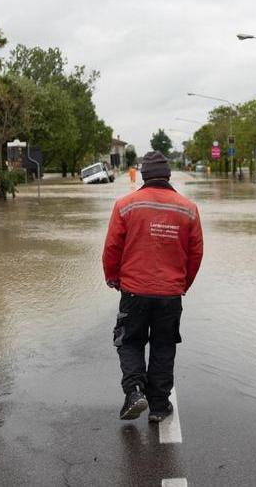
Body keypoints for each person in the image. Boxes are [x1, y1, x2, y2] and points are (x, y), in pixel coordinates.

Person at [102, 151, 204, 423]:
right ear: (168, 175)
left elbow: (112, 248)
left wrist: (113, 278)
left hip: (134, 291)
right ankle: (159, 406)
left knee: (130, 341)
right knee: (163, 345)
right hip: (170, 294)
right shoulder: (188, 209)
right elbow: (196, 254)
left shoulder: (125, 205)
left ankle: (135, 392)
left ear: (143, 175)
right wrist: (183, 284)